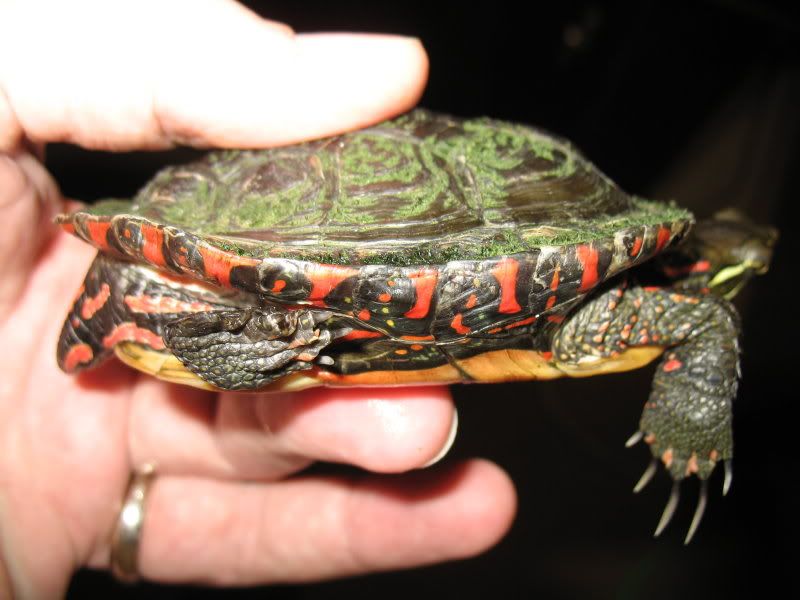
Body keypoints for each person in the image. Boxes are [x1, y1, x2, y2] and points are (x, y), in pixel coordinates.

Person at [0, 0, 516, 595]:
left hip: (429, 253)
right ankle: (249, 324)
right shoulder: (168, 279)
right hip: (241, 270)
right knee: (155, 293)